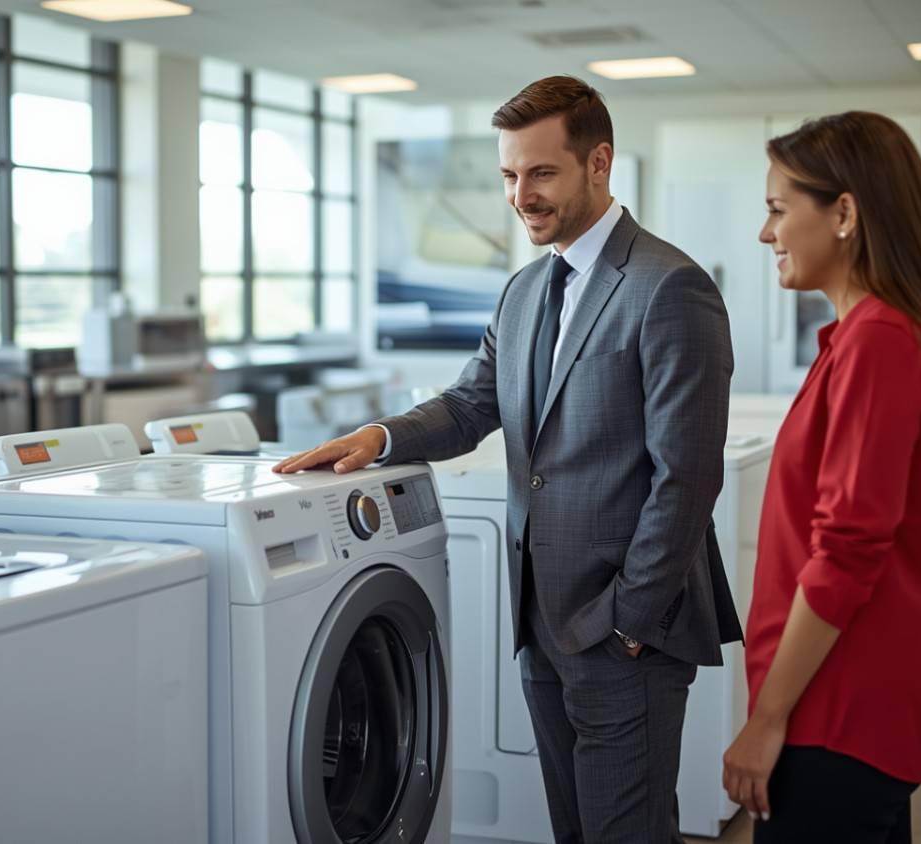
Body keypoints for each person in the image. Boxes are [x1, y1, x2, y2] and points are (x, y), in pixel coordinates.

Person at [276, 75, 739, 843]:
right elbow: (471, 404)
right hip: (543, 619)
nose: (522, 195)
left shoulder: (668, 287)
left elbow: (686, 478)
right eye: (509, 176)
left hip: (626, 630)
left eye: (542, 172)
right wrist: (381, 439)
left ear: (599, 163)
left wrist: (628, 618)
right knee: (574, 831)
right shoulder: (526, 290)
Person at [722, 111, 921, 843]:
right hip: (852, 703)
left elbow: (847, 553)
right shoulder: (870, 338)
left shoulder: (879, 344)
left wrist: (767, 720)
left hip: (838, 710)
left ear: (844, 213)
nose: (765, 233)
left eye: (777, 209)